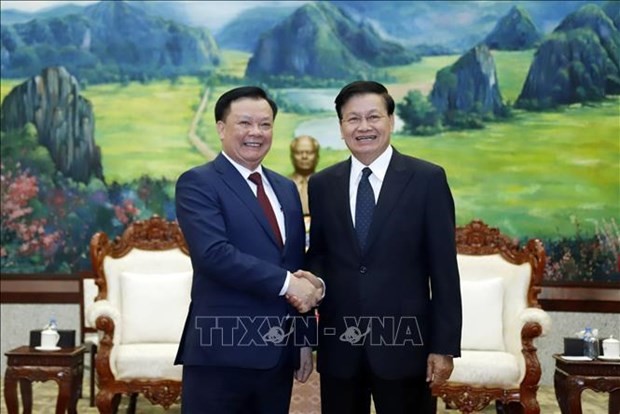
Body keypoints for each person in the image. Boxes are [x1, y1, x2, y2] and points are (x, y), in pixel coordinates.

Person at [306, 81, 462, 413]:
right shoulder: (322, 184)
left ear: (391, 121)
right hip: (340, 348)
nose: (363, 127)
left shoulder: (427, 180)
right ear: (341, 127)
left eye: (373, 117)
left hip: (406, 348)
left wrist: (444, 347)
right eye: (353, 119)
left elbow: (445, 270)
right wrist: (314, 283)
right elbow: (319, 253)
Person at [174, 86, 323, 413]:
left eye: (265, 124)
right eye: (244, 123)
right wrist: (288, 284)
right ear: (221, 128)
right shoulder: (198, 183)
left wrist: (302, 341)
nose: (256, 132)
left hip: (277, 356)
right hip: (221, 353)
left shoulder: (285, 189)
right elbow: (214, 254)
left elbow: (294, 263)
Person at [289, 135, 320, 216]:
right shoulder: (283, 185)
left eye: (309, 152)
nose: (304, 157)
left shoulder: (326, 185)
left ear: (317, 156)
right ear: (292, 156)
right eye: (299, 153)